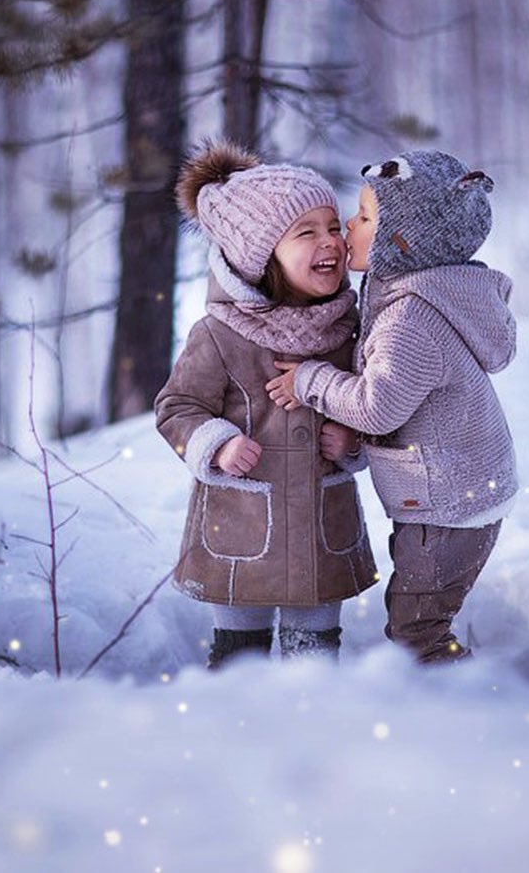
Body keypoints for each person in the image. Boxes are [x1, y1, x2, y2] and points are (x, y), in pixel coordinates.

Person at [266, 149, 518, 664]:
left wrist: (311, 379)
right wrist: (359, 448)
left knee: (416, 629)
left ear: (404, 240)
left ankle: (476, 717)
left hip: (449, 510)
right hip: (457, 493)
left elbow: (378, 407)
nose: (348, 228)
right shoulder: (411, 290)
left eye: (363, 218)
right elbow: (410, 408)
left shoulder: (410, 321)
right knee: (416, 615)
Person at [155, 139, 377, 669]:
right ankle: (234, 728)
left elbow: (375, 404)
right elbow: (177, 407)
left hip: (322, 525)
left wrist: (353, 443)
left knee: (314, 655)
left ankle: (311, 724)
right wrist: (217, 444)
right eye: (306, 232)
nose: (331, 242)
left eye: (331, 226)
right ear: (261, 256)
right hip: (240, 525)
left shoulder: (350, 328)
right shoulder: (219, 334)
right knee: (240, 655)